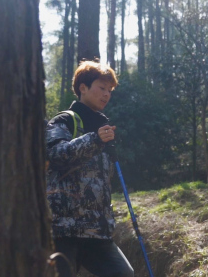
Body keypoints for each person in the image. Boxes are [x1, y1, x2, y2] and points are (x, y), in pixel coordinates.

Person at [46, 60, 133, 277]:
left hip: (97, 232)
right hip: (64, 230)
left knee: (124, 274)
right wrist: (94, 139)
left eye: (110, 90)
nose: (106, 94)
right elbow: (56, 155)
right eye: (101, 88)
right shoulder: (64, 121)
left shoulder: (103, 128)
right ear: (82, 88)